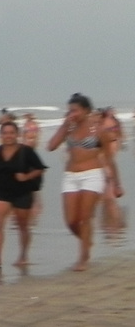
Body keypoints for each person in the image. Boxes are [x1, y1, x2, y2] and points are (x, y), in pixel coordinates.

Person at [47, 93, 123, 271]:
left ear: (86, 110)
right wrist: (65, 124)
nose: (72, 113)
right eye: (69, 110)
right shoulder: (69, 128)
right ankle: (86, 241)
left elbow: (110, 160)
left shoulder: (99, 130)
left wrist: (117, 184)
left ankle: (83, 257)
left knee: (85, 217)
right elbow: (51, 146)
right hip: (71, 176)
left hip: (93, 174)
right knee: (71, 221)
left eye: (75, 110)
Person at [0, 120, 45, 270]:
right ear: (0, 135)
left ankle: (23, 255)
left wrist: (26, 177)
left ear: (17, 134)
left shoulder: (26, 151)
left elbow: (40, 168)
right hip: (1, 192)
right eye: (5, 133)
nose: (8, 136)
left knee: (23, 226)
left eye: (12, 133)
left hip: (23, 192)